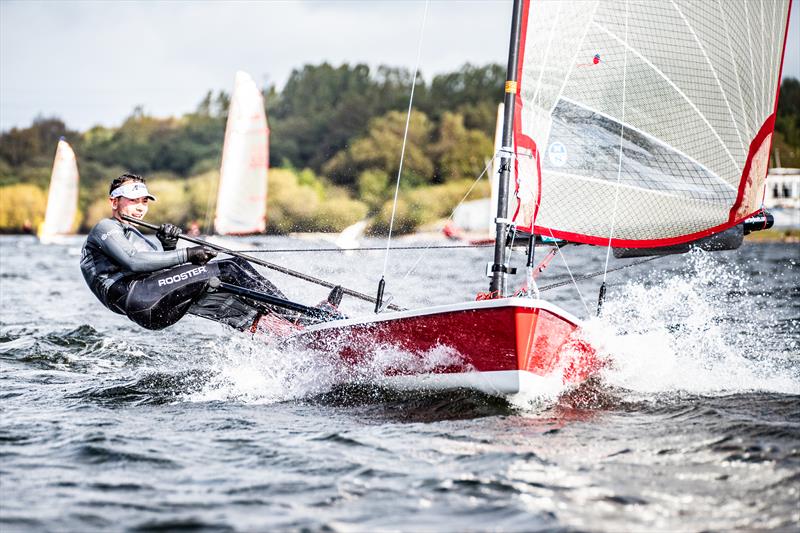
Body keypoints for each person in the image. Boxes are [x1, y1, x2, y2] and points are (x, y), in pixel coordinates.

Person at [80, 173, 327, 332]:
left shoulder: (138, 236)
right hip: (139, 300)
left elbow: (166, 275)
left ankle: (275, 327)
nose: (140, 207)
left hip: (150, 302)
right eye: (133, 200)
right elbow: (134, 262)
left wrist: (168, 245)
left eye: (144, 201)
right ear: (114, 202)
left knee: (216, 281)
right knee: (228, 267)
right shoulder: (105, 227)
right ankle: (301, 317)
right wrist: (188, 254)